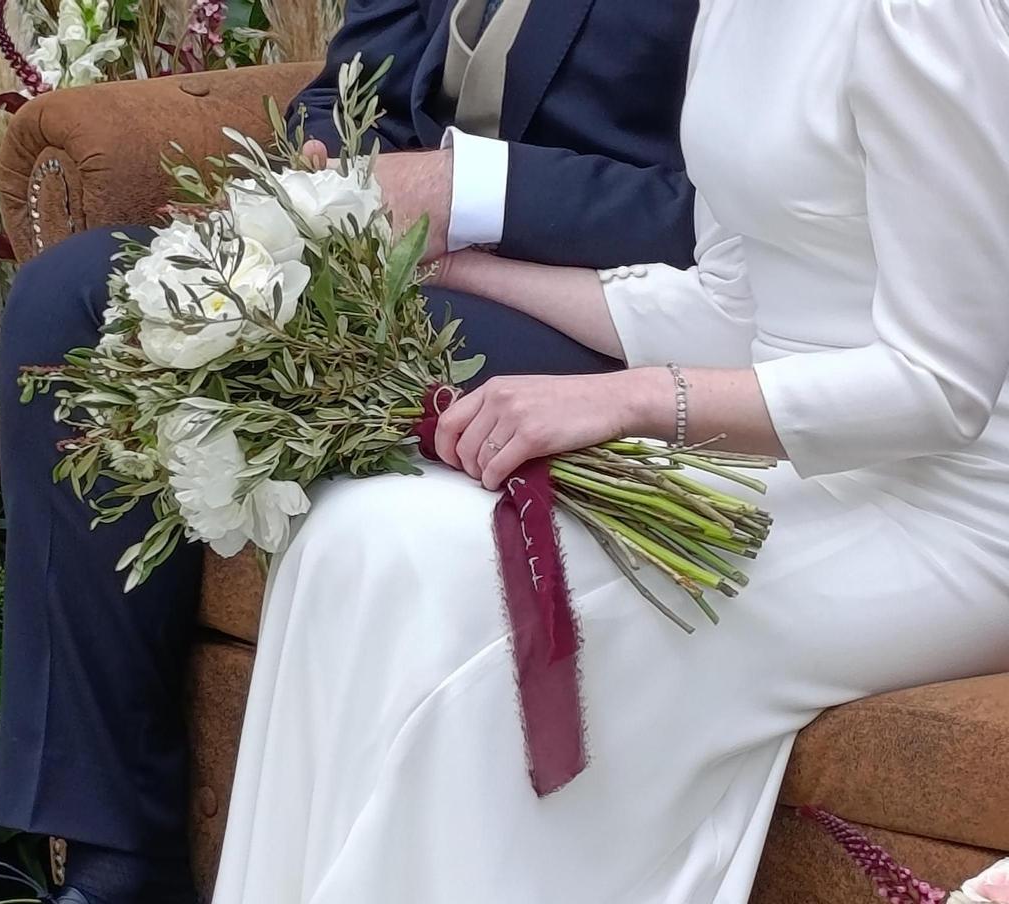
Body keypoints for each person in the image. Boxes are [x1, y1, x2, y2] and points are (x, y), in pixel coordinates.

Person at [210, 0, 1009, 902]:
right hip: (787, 448)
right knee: (361, 533)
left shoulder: (920, 15)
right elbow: (732, 305)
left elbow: (941, 386)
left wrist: (623, 401)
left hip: (956, 508)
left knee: (474, 605)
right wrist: (447, 263)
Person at [0, 0, 700, 901]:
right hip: (395, 261)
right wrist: (324, 170)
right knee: (72, 305)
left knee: (249, 337)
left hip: (610, 305)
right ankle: (113, 866)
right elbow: (347, 87)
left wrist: (462, 193)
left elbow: (739, 213)